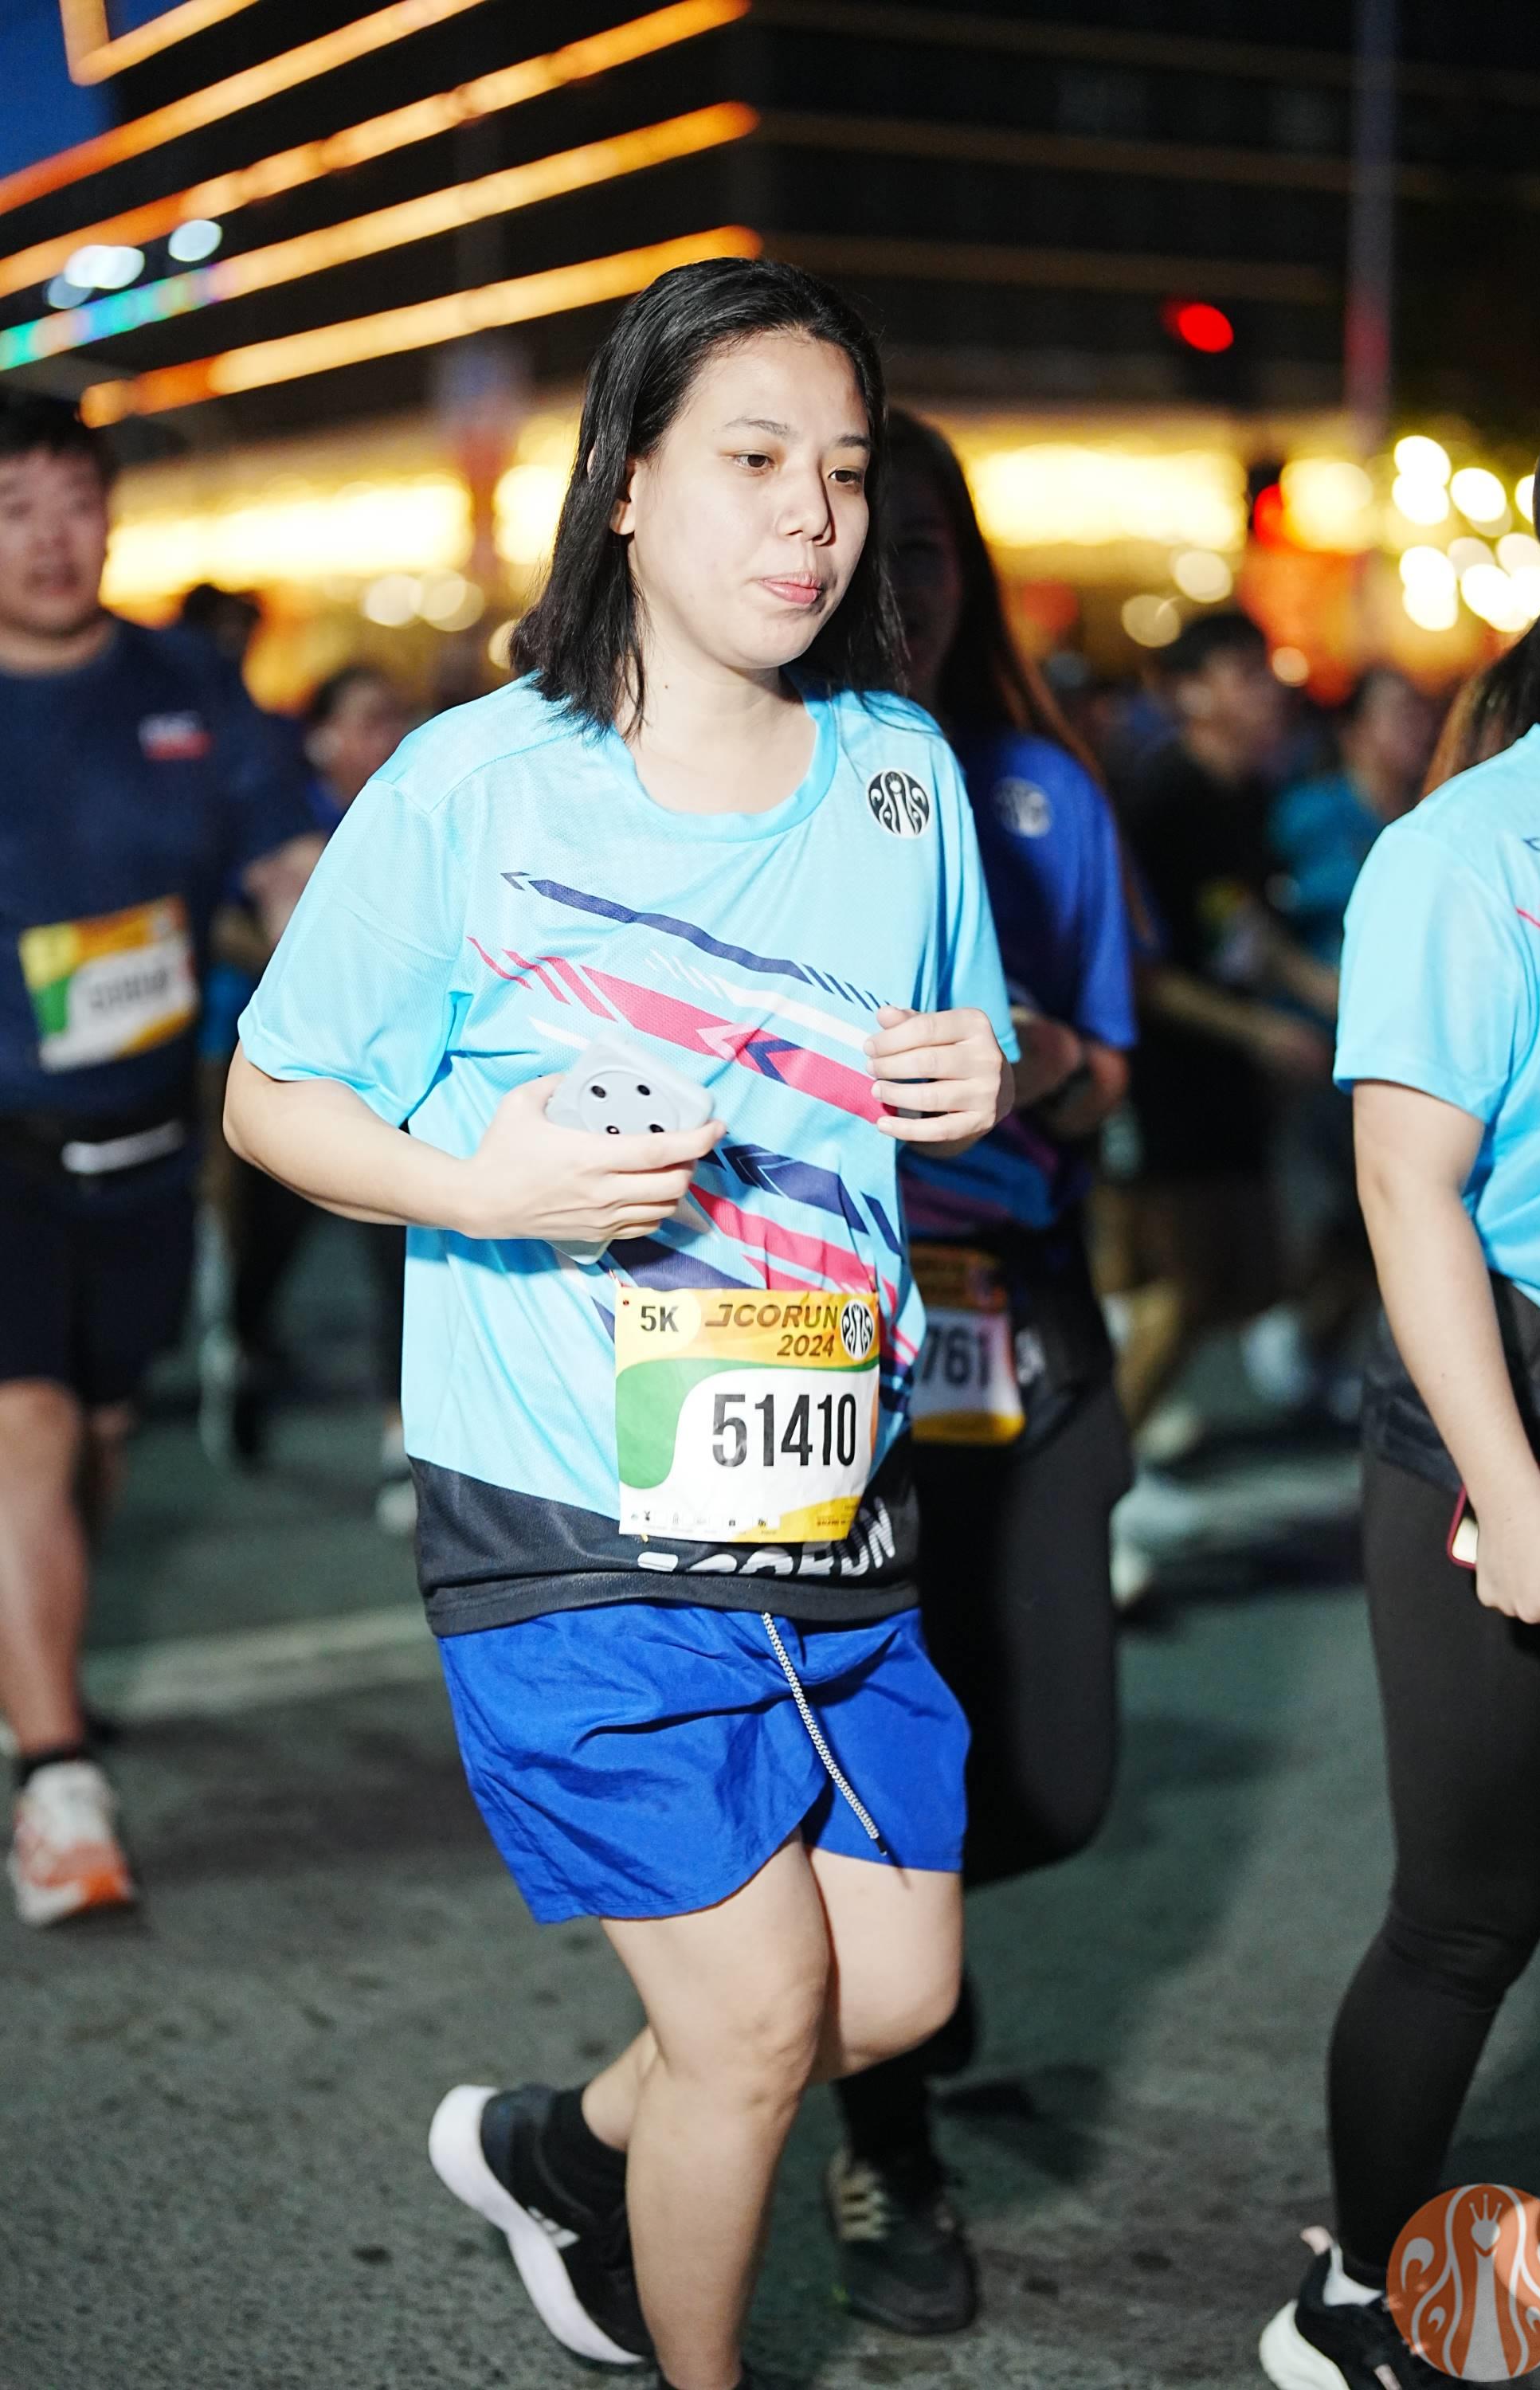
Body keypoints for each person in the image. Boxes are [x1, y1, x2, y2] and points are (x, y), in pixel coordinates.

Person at [224, 258, 1015, 2390]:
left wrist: (988, 1067)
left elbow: (962, 1040)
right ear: (627, 482)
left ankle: (569, 2156)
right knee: (751, 2021)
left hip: (827, 1494)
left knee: (891, 1996)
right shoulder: (474, 784)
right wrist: (479, 1187)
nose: (810, 517)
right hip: (566, 1509)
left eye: (841, 469)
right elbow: (271, 1096)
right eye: (753, 458)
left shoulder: (899, 772)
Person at [1259, 391, 1540, 2387]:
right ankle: (1355, 2298)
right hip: (1515, 1429)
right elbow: (1406, 1187)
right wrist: (1518, 1494)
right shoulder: (1470, 848)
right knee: (1468, 1918)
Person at [819, 409, 1135, 2333]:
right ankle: (882, 2136)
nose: (901, 583)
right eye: (874, 545)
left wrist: (1046, 1062)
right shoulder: (763, 772)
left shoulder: (1040, 792)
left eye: (931, 549)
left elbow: (1108, 1070)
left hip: (1016, 1319)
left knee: (1056, 1777)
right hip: (810, 1333)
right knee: (869, 1761)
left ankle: (881, 1985)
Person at [0, 394, 319, 1927]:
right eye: (14, 509)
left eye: (75, 504)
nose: (50, 540)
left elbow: (287, 867)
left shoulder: (189, 687)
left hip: (141, 1128)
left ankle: (29, 1659)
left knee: (103, 1429)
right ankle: (56, 1780)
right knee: (27, 1417)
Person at [1105, 613, 1332, 1593]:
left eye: (1265, 672)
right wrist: (1257, 1031)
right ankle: (1094, 1485)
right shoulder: (1159, 800)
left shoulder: (1243, 794)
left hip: (1221, 1076)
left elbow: (1247, 932)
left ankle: (1120, 1462)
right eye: (1241, 673)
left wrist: (1324, 997)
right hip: (1159, 1075)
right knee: (1183, 1283)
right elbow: (1140, 970)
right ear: (1186, 691)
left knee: (1213, 1285)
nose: (1264, 691)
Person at [200, 666, 414, 1527]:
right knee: (267, 1253)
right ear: (320, 736)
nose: (385, 735)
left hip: (392, 1075)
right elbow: (215, 919)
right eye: (366, 719)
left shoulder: (421, 804)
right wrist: (300, 962)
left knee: (400, 1252)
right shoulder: (281, 817)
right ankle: (243, 1357)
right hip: (280, 1071)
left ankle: (401, 1445)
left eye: (394, 716)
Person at [1244, 670, 1438, 1414]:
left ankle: (1318, 1347)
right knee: (1352, 1208)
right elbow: (1252, 926)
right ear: (1353, 730)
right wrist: (1315, 989)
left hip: (1412, 1053)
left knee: (1389, 1214)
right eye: (1397, 713)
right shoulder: (1306, 816)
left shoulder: (1435, 810)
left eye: (1420, 712)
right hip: (1323, 1049)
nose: (1415, 727)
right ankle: (1297, 1334)